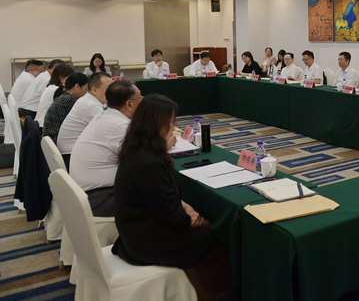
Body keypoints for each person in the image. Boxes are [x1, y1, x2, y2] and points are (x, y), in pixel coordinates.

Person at [111, 94, 234, 301]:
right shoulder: (150, 164)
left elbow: (160, 199)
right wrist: (198, 221)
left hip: (134, 234)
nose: (173, 128)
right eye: (171, 123)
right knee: (220, 231)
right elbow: (174, 219)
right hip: (149, 243)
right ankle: (214, 291)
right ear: (156, 125)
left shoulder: (135, 150)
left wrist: (184, 206)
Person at [70, 80, 142, 217]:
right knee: (156, 201)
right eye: (140, 98)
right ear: (129, 104)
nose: (142, 102)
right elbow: (142, 158)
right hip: (99, 199)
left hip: (87, 194)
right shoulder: (119, 125)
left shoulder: (105, 115)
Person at [57, 72, 113, 169]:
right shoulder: (91, 105)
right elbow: (110, 129)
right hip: (71, 157)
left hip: (72, 153)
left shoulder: (88, 100)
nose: (113, 92)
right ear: (94, 90)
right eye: (109, 88)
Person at [43, 73, 89, 146]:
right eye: (86, 89)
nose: (86, 93)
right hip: (58, 142)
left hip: (53, 140)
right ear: (77, 86)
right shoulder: (70, 100)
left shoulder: (64, 97)